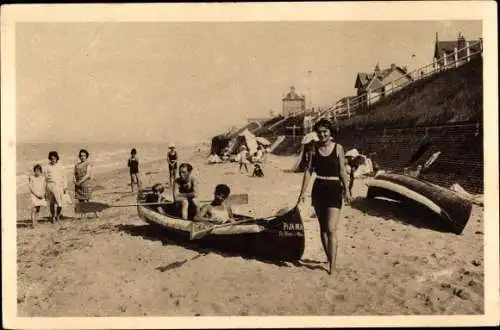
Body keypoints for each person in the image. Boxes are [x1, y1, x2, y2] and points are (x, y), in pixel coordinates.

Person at [298, 118, 351, 275]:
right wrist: (303, 192)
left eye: (325, 132)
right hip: (319, 188)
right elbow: (308, 171)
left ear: (330, 132)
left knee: (331, 228)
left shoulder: (338, 148)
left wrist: (347, 189)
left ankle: (332, 268)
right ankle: (330, 258)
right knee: (322, 229)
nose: (322, 135)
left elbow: (342, 170)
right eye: (319, 132)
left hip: (335, 188)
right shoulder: (313, 149)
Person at [45, 151, 68, 223]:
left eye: (54, 158)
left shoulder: (61, 166)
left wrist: (65, 187)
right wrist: (45, 190)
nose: (53, 160)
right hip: (50, 187)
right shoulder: (47, 167)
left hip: (59, 186)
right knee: (51, 203)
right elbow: (45, 179)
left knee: (60, 203)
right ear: (50, 159)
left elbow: (64, 177)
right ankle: (53, 216)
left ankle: (58, 216)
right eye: (51, 158)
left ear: (56, 158)